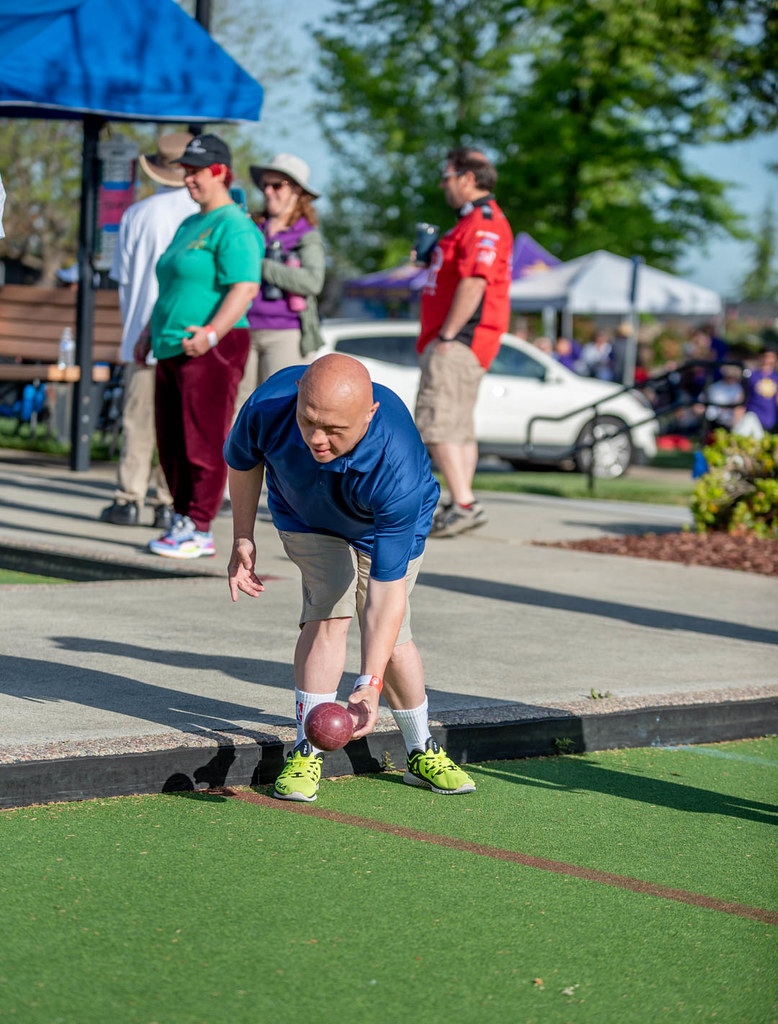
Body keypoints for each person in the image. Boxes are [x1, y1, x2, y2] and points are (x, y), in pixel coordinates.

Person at [224, 353, 476, 802]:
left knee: (391, 633)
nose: (317, 439)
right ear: (299, 396)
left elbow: (384, 595)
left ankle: (420, 750)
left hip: (383, 525)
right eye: (308, 421)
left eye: (335, 429)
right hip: (305, 514)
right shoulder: (267, 405)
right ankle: (307, 748)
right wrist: (242, 536)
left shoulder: (396, 460)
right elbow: (244, 462)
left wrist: (368, 687)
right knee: (330, 612)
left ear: (369, 414)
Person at [135, 134, 262, 559]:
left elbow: (244, 288)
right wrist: (146, 333)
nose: (188, 179)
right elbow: (170, 285)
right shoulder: (191, 223)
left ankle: (200, 525)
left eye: (196, 171)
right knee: (170, 439)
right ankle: (182, 515)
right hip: (171, 344)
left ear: (221, 172)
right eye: (185, 171)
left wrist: (211, 333)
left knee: (202, 438)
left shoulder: (234, 224)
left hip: (211, 346)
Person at [414, 147, 513, 538]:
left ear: (468, 179)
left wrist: (448, 335)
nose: (444, 185)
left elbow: (476, 282)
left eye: (448, 177)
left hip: (460, 341)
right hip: (457, 341)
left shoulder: (484, 222)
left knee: (437, 422)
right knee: (457, 427)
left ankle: (465, 504)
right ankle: (462, 502)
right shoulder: (468, 222)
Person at [100, 132, 197, 528]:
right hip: (186, 334)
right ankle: (168, 499)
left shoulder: (137, 214)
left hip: (142, 328)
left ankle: (128, 496)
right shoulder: (202, 215)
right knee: (175, 424)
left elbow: (122, 275)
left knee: (138, 420)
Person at [235, 153, 325, 410]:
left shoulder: (306, 235)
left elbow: (312, 282)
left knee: (279, 408)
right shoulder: (251, 227)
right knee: (239, 409)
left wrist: (263, 266)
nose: (268, 191)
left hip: (286, 333)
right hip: (244, 328)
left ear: (297, 190)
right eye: (265, 185)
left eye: (277, 185)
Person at [744, 348, 778, 433]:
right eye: (766, 356)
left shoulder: (776, 377)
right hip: (753, 416)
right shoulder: (751, 376)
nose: (768, 360)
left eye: (771, 357)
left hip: (770, 420)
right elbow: (743, 396)